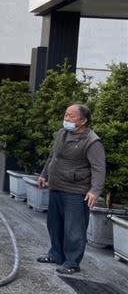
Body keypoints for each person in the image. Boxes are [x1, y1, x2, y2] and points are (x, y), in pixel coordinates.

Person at [36, 104, 105, 274]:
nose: (66, 118)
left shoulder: (92, 141)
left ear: (83, 121)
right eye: (66, 114)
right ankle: (56, 255)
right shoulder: (62, 133)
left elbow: (99, 167)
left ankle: (72, 262)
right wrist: (44, 175)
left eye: (71, 116)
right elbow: (53, 156)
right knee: (54, 224)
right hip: (56, 186)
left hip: (76, 190)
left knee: (73, 228)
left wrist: (95, 191)